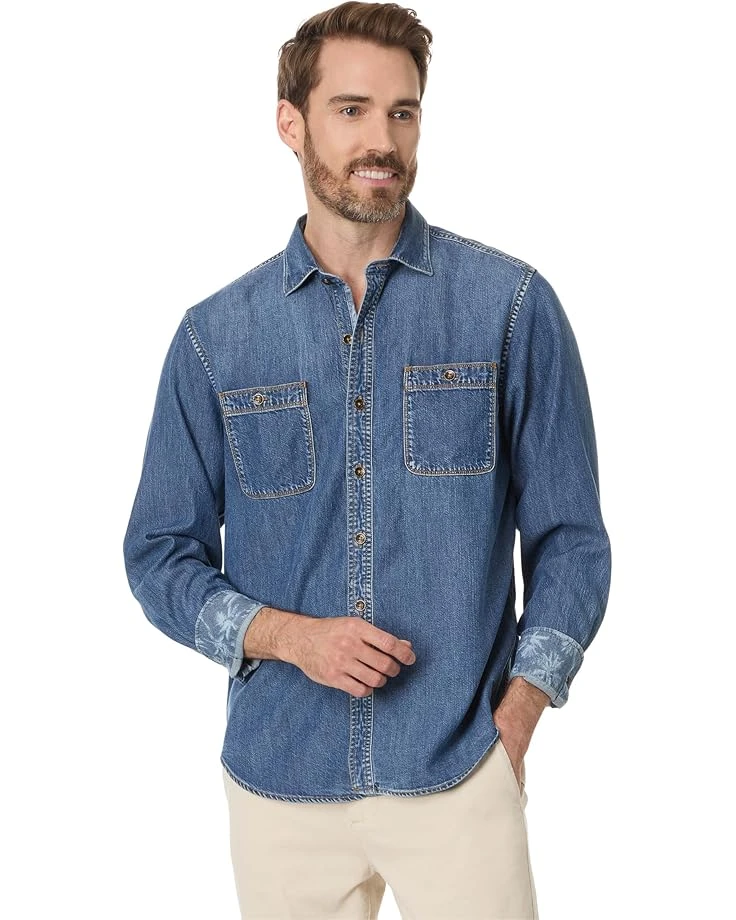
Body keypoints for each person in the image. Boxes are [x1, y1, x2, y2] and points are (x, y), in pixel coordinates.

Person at [123, 2, 612, 917]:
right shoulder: (214, 339)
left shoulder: (510, 308)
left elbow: (573, 539)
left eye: (402, 112)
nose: (381, 140)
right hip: (280, 781)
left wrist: (517, 719)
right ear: (291, 122)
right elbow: (157, 554)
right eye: (350, 110)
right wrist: (289, 638)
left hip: (459, 771)